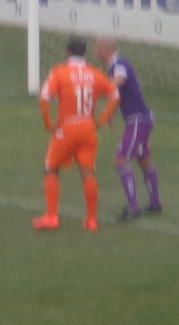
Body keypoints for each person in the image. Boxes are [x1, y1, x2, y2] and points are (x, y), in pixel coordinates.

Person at [32, 37, 118, 232]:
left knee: (51, 169)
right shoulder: (95, 73)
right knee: (88, 172)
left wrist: (48, 124)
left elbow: (44, 98)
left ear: (68, 52)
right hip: (88, 129)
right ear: (84, 53)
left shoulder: (60, 72)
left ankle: (51, 217)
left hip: (66, 129)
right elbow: (115, 96)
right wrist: (101, 120)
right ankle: (91, 220)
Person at [94, 37, 161, 222]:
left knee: (120, 159)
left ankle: (133, 208)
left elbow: (120, 80)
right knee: (143, 159)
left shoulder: (118, 63)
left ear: (103, 49)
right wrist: (110, 113)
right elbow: (119, 94)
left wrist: (99, 90)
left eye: (96, 47)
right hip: (142, 119)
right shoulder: (114, 65)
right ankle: (155, 204)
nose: (94, 50)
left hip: (138, 120)